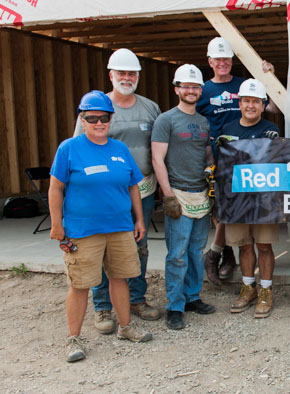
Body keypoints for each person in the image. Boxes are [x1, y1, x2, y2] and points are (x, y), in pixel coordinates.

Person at [49, 90, 153, 363]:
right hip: (83, 231)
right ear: (82, 119)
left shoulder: (119, 149)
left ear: (110, 119)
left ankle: (125, 327)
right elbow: (56, 188)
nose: (98, 123)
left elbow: (133, 186)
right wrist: (57, 224)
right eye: (92, 117)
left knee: (120, 278)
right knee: (80, 284)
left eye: (104, 118)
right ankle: (73, 338)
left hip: (119, 227)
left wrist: (139, 220)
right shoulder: (69, 149)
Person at [74, 48, 162, 334]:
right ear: (111, 75)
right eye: (121, 73)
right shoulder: (97, 108)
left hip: (142, 189)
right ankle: (103, 308)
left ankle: (136, 299)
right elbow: (79, 151)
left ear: (138, 75)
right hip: (104, 193)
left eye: (132, 73)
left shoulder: (150, 107)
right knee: (101, 248)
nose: (127, 77)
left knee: (138, 245)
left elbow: (159, 148)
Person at [197, 37, 278, 285]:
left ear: (232, 60)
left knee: (234, 214)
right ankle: (225, 256)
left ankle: (216, 254)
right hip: (218, 155)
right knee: (222, 211)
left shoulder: (245, 85)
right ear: (210, 62)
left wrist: (270, 78)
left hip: (251, 159)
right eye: (218, 59)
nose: (222, 63)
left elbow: (273, 107)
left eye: (226, 59)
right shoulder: (203, 90)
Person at [152, 64, 216, 330]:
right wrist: (168, 196)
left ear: (200, 90)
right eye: (186, 86)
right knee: (177, 254)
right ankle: (174, 305)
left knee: (195, 251)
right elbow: (157, 158)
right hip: (178, 192)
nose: (191, 91)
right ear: (177, 89)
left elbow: (206, 153)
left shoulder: (203, 122)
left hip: (201, 194)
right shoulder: (166, 120)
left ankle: (192, 297)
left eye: (195, 87)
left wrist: (211, 170)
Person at [218, 78, 281, 319]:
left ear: (263, 105)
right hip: (237, 200)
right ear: (240, 103)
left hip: (264, 201)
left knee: (264, 245)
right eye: (246, 101)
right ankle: (248, 288)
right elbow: (222, 168)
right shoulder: (228, 130)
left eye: (256, 101)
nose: (251, 105)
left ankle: (266, 290)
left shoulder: (270, 131)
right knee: (244, 244)